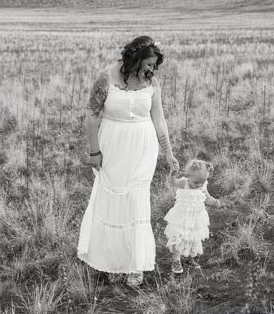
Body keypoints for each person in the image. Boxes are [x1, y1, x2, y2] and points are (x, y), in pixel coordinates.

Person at [76, 36, 180, 288]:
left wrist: (168, 152)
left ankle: (135, 264)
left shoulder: (151, 82)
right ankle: (113, 261)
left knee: (136, 200)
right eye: (148, 64)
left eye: (154, 66)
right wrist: (94, 152)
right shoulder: (106, 77)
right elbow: (91, 116)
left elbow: (159, 120)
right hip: (112, 145)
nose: (151, 70)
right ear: (134, 58)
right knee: (113, 200)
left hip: (143, 147)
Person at [164, 159, 222, 274]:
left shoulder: (202, 185)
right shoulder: (184, 183)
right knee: (178, 236)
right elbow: (173, 182)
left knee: (193, 238)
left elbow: (207, 198)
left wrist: (214, 202)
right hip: (182, 217)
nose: (199, 185)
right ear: (188, 175)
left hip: (196, 218)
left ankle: (190, 258)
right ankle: (176, 259)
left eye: (202, 182)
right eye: (196, 183)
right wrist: (172, 174)